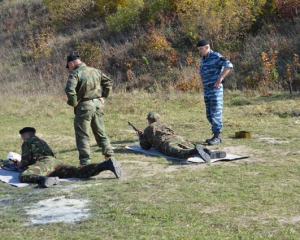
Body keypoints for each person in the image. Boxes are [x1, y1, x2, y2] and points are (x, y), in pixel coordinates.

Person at [13, 127, 121, 188]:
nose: (23, 139)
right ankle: (105, 164)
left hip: (45, 162)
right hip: (55, 162)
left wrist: (19, 163)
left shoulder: (27, 141)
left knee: (24, 176)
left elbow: (25, 161)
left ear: (26, 136)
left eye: (22, 137)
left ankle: (45, 179)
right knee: (78, 171)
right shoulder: (42, 141)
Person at [65, 54, 114, 165]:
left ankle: (85, 162)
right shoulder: (95, 71)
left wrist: (73, 102)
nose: (69, 69)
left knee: (82, 135)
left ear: (71, 63)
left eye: (69, 66)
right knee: (100, 132)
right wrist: (104, 97)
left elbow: (69, 90)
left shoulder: (75, 73)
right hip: (97, 105)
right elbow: (108, 82)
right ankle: (109, 155)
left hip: (83, 107)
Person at [136, 112, 226, 163]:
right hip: (177, 137)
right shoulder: (165, 124)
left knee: (179, 152)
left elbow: (146, 146)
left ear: (149, 120)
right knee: (191, 145)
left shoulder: (149, 128)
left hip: (166, 143)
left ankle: (194, 151)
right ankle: (208, 151)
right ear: (158, 119)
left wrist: (141, 137)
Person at [197, 40, 233, 145]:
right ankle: (215, 134)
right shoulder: (203, 59)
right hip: (207, 89)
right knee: (209, 114)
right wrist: (202, 82)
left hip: (215, 89)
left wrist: (220, 79)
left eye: (200, 49)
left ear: (207, 47)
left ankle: (217, 136)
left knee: (216, 113)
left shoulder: (216, 56)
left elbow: (229, 65)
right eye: (198, 49)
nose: (199, 51)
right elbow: (201, 71)